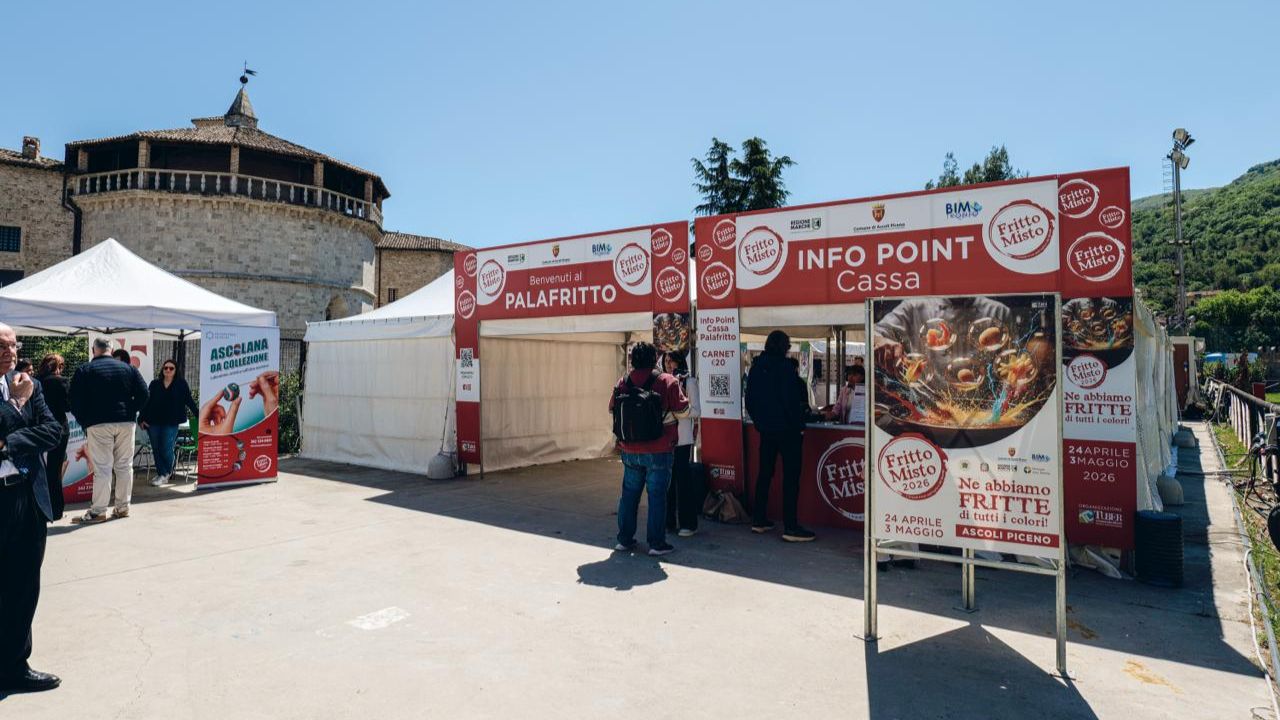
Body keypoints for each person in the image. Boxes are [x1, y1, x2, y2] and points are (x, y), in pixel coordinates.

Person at [0, 323, 64, 694]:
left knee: (24, 585)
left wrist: (7, 443)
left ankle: (14, 665)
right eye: (1, 345)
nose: (9, 351)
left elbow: (53, 431)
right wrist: (16, 405)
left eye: (13, 344)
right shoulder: (22, 392)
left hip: (28, 495)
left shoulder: (30, 383)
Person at [609, 342, 689, 557]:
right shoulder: (667, 381)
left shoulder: (623, 381)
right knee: (657, 496)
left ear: (632, 359)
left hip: (630, 448)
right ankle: (656, 543)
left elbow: (612, 408)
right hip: (659, 448)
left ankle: (624, 540)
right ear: (655, 359)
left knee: (629, 495)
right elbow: (683, 411)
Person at [745, 330, 815, 542]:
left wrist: (760, 422)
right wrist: (799, 426)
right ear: (784, 346)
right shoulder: (785, 368)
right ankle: (790, 526)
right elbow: (791, 402)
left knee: (765, 473)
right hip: (788, 431)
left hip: (766, 430)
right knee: (791, 478)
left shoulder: (756, 367)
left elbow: (749, 400)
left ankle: (758, 519)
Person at [68, 338, 148, 524]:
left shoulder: (85, 370)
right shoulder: (129, 369)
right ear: (111, 350)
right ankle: (122, 507)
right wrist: (131, 410)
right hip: (126, 422)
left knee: (102, 468)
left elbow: (73, 399)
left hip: (98, 423)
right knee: (124, 465)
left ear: (93, 350)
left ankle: (98, 511)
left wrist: (84, 420)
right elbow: (144, 394)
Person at [139, 360, 198, 487]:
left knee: (166, 448)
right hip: (153, 421)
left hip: (171, 422)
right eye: (165, 368)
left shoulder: (181, 384)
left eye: (171, 368)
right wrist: (141, 419)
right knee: (156, 448)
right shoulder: (155, 384)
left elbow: (189, 400)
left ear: (176, 370)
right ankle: (162, 474)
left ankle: (166, 472)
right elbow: (146, 402)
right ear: (162, 370)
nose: (168, 370)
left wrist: (199, 415)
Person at [662, 351, 701, 537]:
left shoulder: (689, 382)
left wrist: (680, 412)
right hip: (666, 439)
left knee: (683, 482)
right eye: (667, 362)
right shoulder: (662, 382)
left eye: (672, 361)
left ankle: (688, 523)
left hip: (683, 438)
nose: (670, 365)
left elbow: (696, 410)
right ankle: (668, 520)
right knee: (667, 482)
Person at [34, 355, 70, 520]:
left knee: (37, 469)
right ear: (59, 366)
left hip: (38, 429)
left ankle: (39, 508)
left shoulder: (35, 381)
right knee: (54, 471)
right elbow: (67, 406)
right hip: (58, 430)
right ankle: (55, 510)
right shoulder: (60, 381)